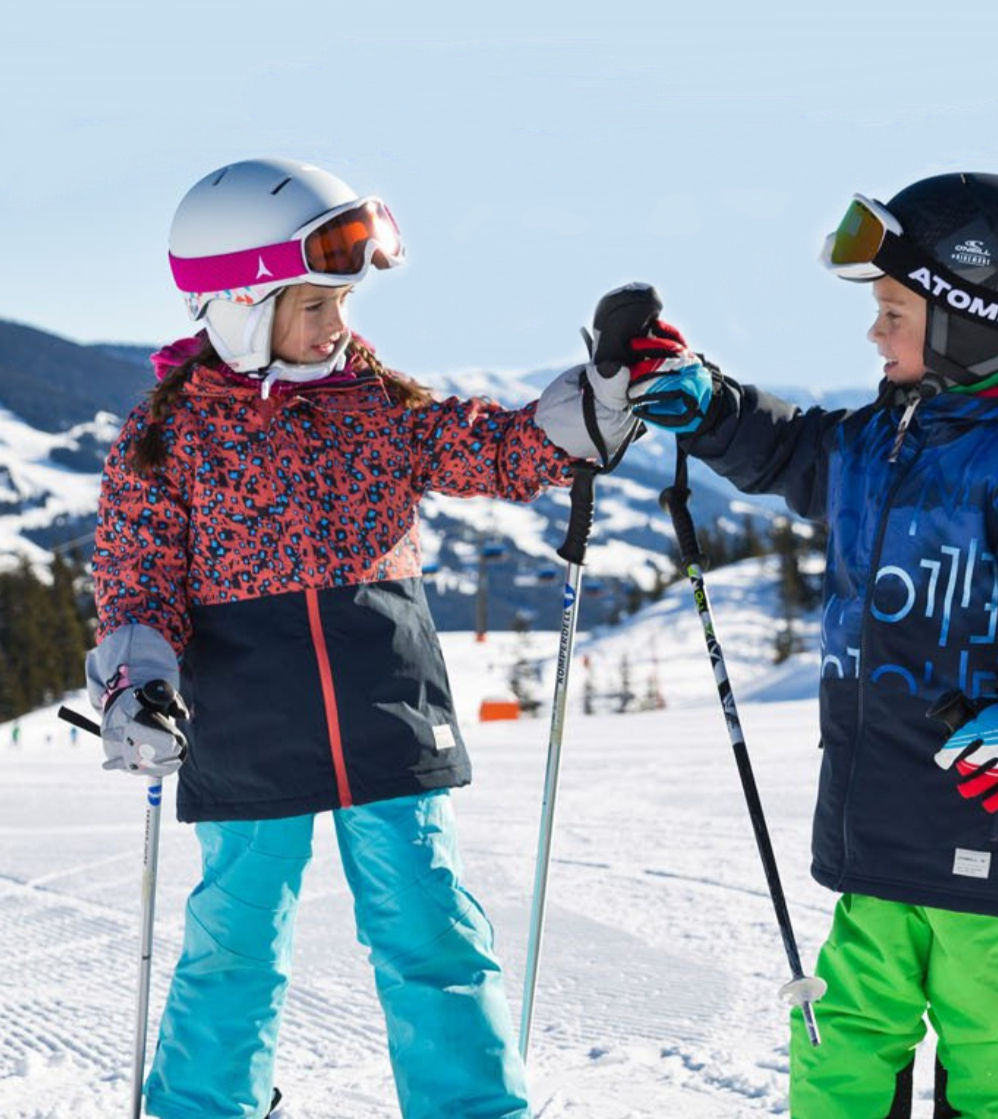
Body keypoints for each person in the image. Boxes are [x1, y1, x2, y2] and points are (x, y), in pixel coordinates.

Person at [85, 157, 638, 1119]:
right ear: (240, 308)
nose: (335, 323)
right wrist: (138, 683)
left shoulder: (377, 404)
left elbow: (492, 448)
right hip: (248, 727)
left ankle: (471, 1107)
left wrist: (584, 414)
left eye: (343, 300)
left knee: (430, 928)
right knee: (235, 943)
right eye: (312, 304)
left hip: (388, 709)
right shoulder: (168, 438)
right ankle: (204, 1106)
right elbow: (139, 577)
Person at [599, 175, 998, 1118]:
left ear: (977, 324)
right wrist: (707, 401)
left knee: (993, 1029)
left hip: (988, 817)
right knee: (847, 1025)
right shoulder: (882, 442)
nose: (873, 332)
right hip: (876, 815)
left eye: (894, 312)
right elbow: (784, 449)